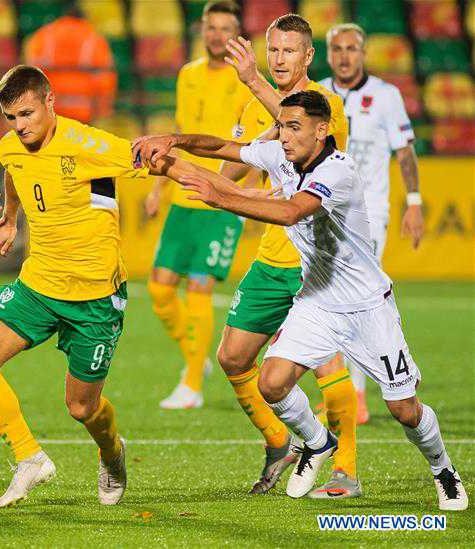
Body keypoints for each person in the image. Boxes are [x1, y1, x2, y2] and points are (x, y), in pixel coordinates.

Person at [133, 89, 468, 512]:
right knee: (271, 383)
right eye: (283, 126)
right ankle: (316, 441)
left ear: (321, 129)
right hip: (317, 301)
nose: (284, 136)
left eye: (294, 127)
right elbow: (223, 147)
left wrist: (223, 198)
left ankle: (443, 470)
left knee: (404, 409)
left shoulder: (340, 171)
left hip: (367, 307)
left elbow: (293, 212)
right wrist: (173, 140)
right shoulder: (282, 156)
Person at [0, 65, 226, 508]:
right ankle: (29, 458)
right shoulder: (11, 147)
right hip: (38, 285)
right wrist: (9, 217)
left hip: (95, 298)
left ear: (50, 102)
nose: (20, 127)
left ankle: (111, 453)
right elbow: (15, 171)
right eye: (11, 117)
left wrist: (226, 192)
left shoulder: (90, 145)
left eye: (27, 114)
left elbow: (164, 162)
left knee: (82, 408)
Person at [202, 14, 361, 498]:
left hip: (318, 263)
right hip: (273, 255)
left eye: (289, 51)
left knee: (327, 364)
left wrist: (252, 80)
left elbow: (293, 123)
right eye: (273, 50)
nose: (278, 59)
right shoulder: (258, 109)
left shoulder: (324, 104)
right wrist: (217, 187)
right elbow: (251, 166)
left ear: (308, 56)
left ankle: (345, 471)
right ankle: (281, 442)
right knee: (232, 356)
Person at [144, 0, 253, 410]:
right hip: (180, 192)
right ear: (202, 30)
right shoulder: (187, 75)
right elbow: (178, 131)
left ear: (237, 34)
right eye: (212, 26)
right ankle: (195, 352)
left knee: (199, 287)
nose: (217, 34)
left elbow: (251, 146)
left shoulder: (246, 81)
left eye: (226, 27)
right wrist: (158, 187)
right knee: (158, 287)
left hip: (220, 200)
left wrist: (228, 191)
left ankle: (191, 384)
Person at [321, 23, 425, 424]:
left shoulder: (385, 96)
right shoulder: (319, 95)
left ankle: (357, 395)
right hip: (324, 212)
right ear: (327, 54)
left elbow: (405, 152)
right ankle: (342, 389)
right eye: (337, 49)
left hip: (370, 214)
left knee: (355, 297)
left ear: (363, 53)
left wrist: (412, 203)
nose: (345, 56)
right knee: (327, 300)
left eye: (351, 49)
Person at [22, 7, 116, 123]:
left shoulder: (43, 35)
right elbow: (105, 78)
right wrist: (102, 110)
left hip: (50, 109)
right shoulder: (94, 38)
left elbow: (30, 73)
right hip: (83, 111)